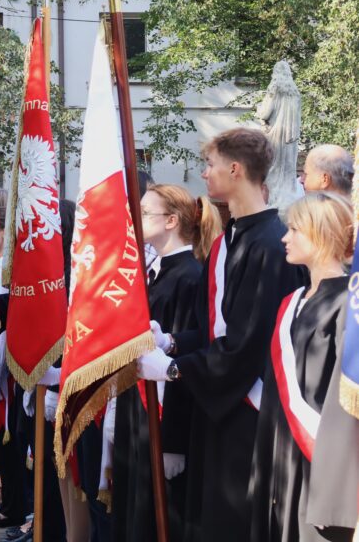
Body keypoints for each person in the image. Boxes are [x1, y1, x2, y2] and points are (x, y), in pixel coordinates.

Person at [138, 128, 306, 542]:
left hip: (248, 409)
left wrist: (175, 370)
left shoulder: (269, 244)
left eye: (210, 165)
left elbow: (248, 343)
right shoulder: (229, 239)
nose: (205, 173)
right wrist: (173, 341)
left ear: (235, 169)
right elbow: (216, 330)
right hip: (217, 402)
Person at [112, 185, 221, 542]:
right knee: (132, 507)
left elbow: (189, 359)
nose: (136, 219)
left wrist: (172, 440)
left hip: (162, 415)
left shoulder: (190, 275)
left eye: (145, 213)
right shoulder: (155, 272)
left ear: (171, 221)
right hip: (137, 411)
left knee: (158, 515)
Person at [249, 192, 359, 542]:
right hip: (281, 461)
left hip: (321, 472)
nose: (284, 237)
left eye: (294, 229)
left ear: (320, 234)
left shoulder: (348, 306)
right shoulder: (291, 303)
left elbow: (346, 405)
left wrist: (337, 492)